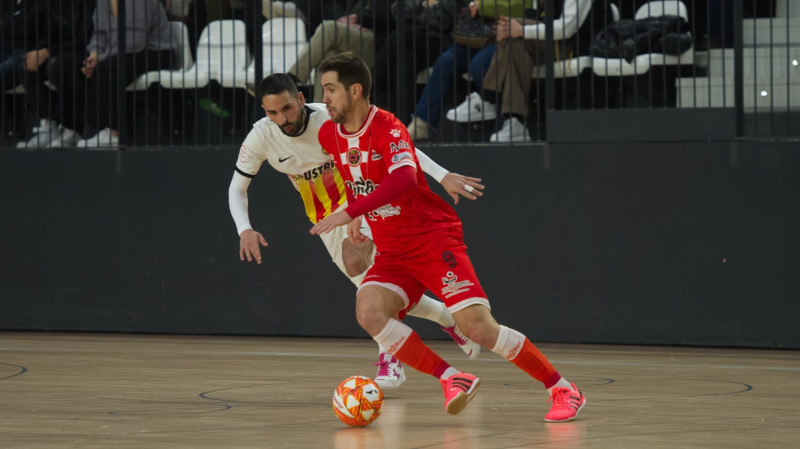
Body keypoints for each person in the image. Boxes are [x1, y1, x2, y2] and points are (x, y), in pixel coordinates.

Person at [310, 52, 585, 421]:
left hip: (431, 240)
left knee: (478, 328)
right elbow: (353, 173)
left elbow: (404, 178)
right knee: (369, 311)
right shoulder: (330, 134)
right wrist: (357, 215)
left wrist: (351, 211)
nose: (324, 98)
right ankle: (452, 378)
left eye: (330, 89)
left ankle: (562, 388)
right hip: (393, 250)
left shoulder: (389, 127)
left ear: (355, 90)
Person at [228, 72, 485, 389]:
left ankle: (391, 360)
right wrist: (245, 229)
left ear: (300, 99)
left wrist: (442, 175)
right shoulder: (262, 137)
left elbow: (396, 145)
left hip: (366, 201)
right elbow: (237, 188)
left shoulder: (331, 119)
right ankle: (447, 319)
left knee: (369, 275)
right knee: (370, 288)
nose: (282, 119)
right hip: (326, 220)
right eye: (272, 113)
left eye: (287, 109)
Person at [450, 0, 606, 142]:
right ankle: (515, 122)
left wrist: (523, 30)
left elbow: (567, 28)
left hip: (571, 45)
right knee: (515, 41)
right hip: (545, 40)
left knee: (514, 30)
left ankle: (487, 97)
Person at [405, 0, 523, 142]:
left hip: (506, 37)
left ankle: (504, 118)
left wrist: (483, 6)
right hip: (477, 35)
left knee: (479, 64)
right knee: (445, 62)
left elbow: (521, 7)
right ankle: (421, 124)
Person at [75, 0, 177, 148]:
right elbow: (99, 34)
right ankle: (84, 129)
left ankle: (114, 133)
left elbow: (134, 42)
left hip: (157, 52)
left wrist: (102, 58)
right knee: (86, 66)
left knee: (111, 65)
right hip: (121, 53)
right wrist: (95, 54)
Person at [15, 0, 95, 149]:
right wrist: (37, 53)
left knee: (58, 66)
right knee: (26, 68)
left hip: (83, 52)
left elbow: (83, 39)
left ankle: (73, 128)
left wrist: (47, 52)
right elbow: (47, 35)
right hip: (58, 52)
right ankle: (49, 124)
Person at [372, 0, 469, 113]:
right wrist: (422, 4)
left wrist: (416, 13)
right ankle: (405, 122)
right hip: (416, 41)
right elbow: (397, 10)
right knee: (406, 59)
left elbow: (443, 21)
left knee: (402, 33)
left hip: (442, 42)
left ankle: (369, 82)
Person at [288, 0, 392, 102]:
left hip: (373, 37)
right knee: (328, 57)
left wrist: (359, 19)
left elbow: (387, 13)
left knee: (328, 28)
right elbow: (331, 5)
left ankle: (292, 78)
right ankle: (321, 111)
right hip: (350, 30)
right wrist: (344, 19)